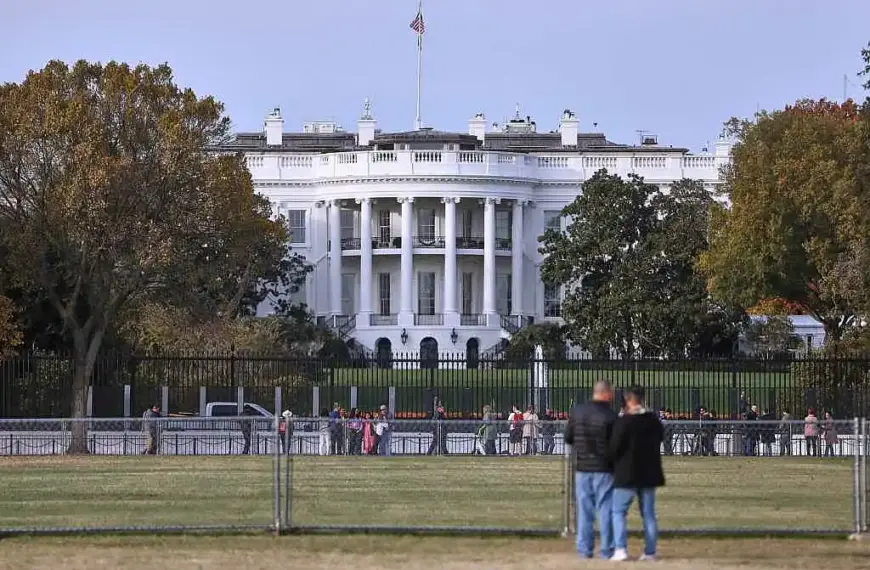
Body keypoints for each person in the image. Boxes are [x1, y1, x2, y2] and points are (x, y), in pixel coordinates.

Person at [609, 385, 665, 562]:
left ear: (628, 400)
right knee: (648, 513)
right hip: (649, 472)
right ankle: (650, 552)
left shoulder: (624, 421)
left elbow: (614, 447)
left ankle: (620, 549)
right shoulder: (653, 420)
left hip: (627, 472)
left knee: (618, 512)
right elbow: (660, 438)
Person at [564, 380, 618, 560]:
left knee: (584, 511)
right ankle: (607, 549)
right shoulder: (611, 416)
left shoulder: (578, 412)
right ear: (607, 393)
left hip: (582, 468)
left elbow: (568, 437)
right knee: (605, 509)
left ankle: (584, 549)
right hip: (604, 468)